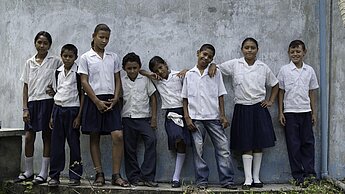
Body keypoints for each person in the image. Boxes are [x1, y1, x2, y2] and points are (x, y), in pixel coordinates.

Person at [209, 37, 278, 190]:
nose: (249, 50)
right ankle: (247, 180)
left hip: (259, 108)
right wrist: (213, 64)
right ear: (242, 49)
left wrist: (270, 101)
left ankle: (257, 178)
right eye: (246, 47)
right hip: (242, 107)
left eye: (252, 47)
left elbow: (275, 84)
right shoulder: (235, 64)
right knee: (246, 143)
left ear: (257, 50)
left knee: (259, 143)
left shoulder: (263, 67)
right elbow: (217, 68)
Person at [78, 24, 129, 187]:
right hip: (93, 100)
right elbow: (84, 82)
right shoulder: (86, 57)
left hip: (111, 100)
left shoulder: (113, 57)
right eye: (101, 37)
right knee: (95, 136)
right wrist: (96, 101)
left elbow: (118, 79)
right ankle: (99, 174)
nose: (104, 40)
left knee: (118, 136)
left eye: (107, 38)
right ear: (93, 36)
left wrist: (115, 98)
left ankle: (116, 175)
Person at [181, 44, 237, 190]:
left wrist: (223, 116)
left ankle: (227, 180)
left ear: (212, 59)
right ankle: (201, 181)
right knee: (198, 151)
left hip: (213, 117)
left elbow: (220, 95)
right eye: (204, 54)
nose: (205, 58)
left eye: (209, 57)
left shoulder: (215, 73)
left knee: (223, 147)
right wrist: (187, 117)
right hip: (195, 119)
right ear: (198, 53)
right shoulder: (189, 74)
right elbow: (185, 98)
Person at [15, 31, 62, 185]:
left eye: (45, 43)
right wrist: (25, 108)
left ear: (49, 45)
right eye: (39, 42)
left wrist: (56, 93)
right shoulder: (29, 62)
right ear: (35, 43)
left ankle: (43, 172)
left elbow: (63, 81)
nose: (42, 46)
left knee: (47, 136)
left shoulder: (55, 62)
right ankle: (29, 171)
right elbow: (26, 86)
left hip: (48, 102)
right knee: (29, 137)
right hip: (32, 103)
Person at [142, 56, 191, 188]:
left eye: (161, 67)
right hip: (171, 114)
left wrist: (187, 71)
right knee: (177, 136)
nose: (160, 71)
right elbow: (141, 71)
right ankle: (176, 142)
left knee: (183, 144)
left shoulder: (177, 75)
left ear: (166, 65)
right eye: (157, 70)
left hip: (184, 111)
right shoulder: (157, 81)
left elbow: (192, 74)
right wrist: (151, 74)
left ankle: (176, 178)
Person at [277, 40, 319, 187]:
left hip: (306, 112)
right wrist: (281, 112)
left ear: (304, 52)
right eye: (292, 52)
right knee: (293, 145)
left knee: (308, 143)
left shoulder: (310, 70)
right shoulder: (284, 70)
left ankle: (310, 174)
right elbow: (280, 92)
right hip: (290, 113)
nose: (295, 54)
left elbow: (312, 92)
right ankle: (298, 176)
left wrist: (314, 113)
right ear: (289, 53)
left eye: (298, 51)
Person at [47, 44, 83, 187]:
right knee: (56, 145)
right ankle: (54, 175)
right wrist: (51, 116)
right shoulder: (57, 72)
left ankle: (75, 176)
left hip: (72, 111)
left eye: (70, 56)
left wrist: (79, 117)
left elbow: (82, 95)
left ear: (76, 57)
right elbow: (56, 93)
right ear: (61, 56)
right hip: (58, 110)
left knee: (74, 144)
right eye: (65, 56)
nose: (67, 59)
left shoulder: (79, 72)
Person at [121, 52, 158, 187]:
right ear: (124, 68)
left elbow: (153, 97)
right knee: (130, 149)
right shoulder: (121, 81)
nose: (132, 71)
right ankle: (134, 177)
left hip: (144, 119)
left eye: (135, 68)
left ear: (139, 67)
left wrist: (154, 118)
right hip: (127, 118)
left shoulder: (145, 79)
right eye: (129, 68)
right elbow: (118, 99)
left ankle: (147, 176)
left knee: (152, 141)